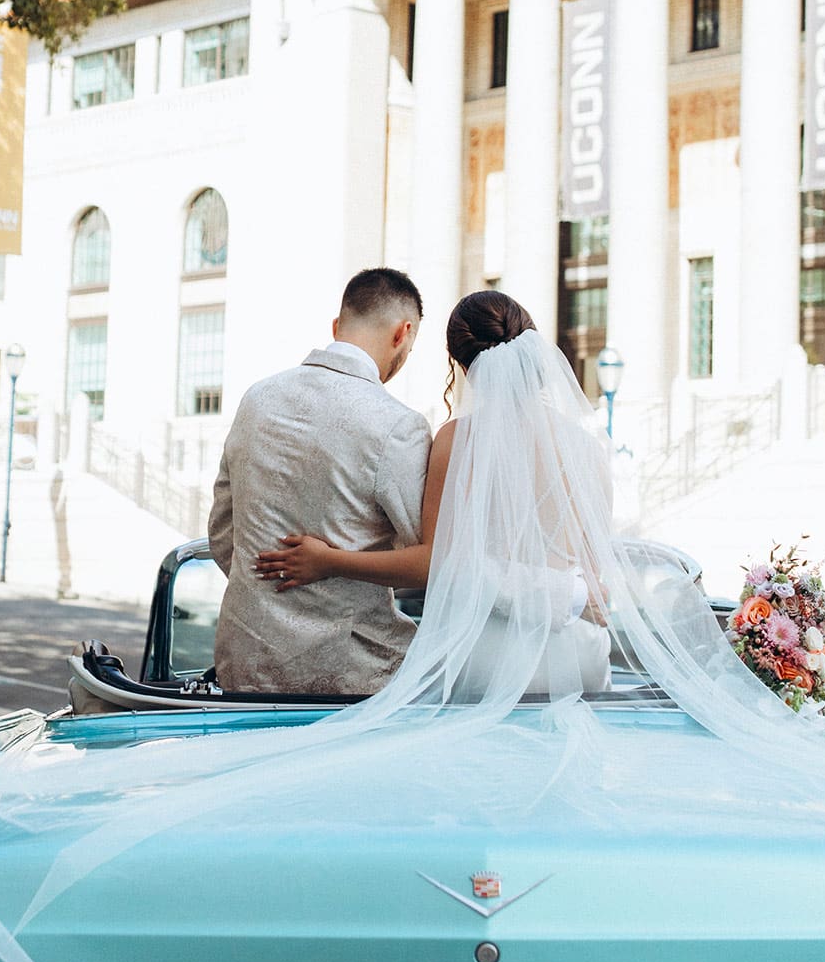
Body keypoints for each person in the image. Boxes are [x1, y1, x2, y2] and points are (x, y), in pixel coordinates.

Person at [256, 289, 613, 696]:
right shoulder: (588, 448)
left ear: (459, 362)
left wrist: (329, 561)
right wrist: (571, 594)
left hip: (487, 654)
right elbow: (596, 582)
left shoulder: (456, 439)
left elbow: (442, 563)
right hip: (578, 655)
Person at [207, 266, 430, 697]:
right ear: (403, 334)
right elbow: (424, 556)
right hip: (352, 674)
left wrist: (268, 593)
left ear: (336, 326)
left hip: (245, 664)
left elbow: (222, 535)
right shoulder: (398, 426)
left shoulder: (258, 398)